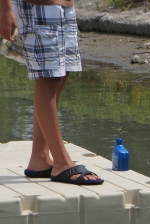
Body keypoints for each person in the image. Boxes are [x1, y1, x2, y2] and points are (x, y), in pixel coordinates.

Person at [0, 0, 103, 185]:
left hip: (64, 5)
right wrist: (5, 8)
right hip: (37, 6)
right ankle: (62, 163)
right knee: (49, 77)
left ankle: (39, 158)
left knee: (61, 74)